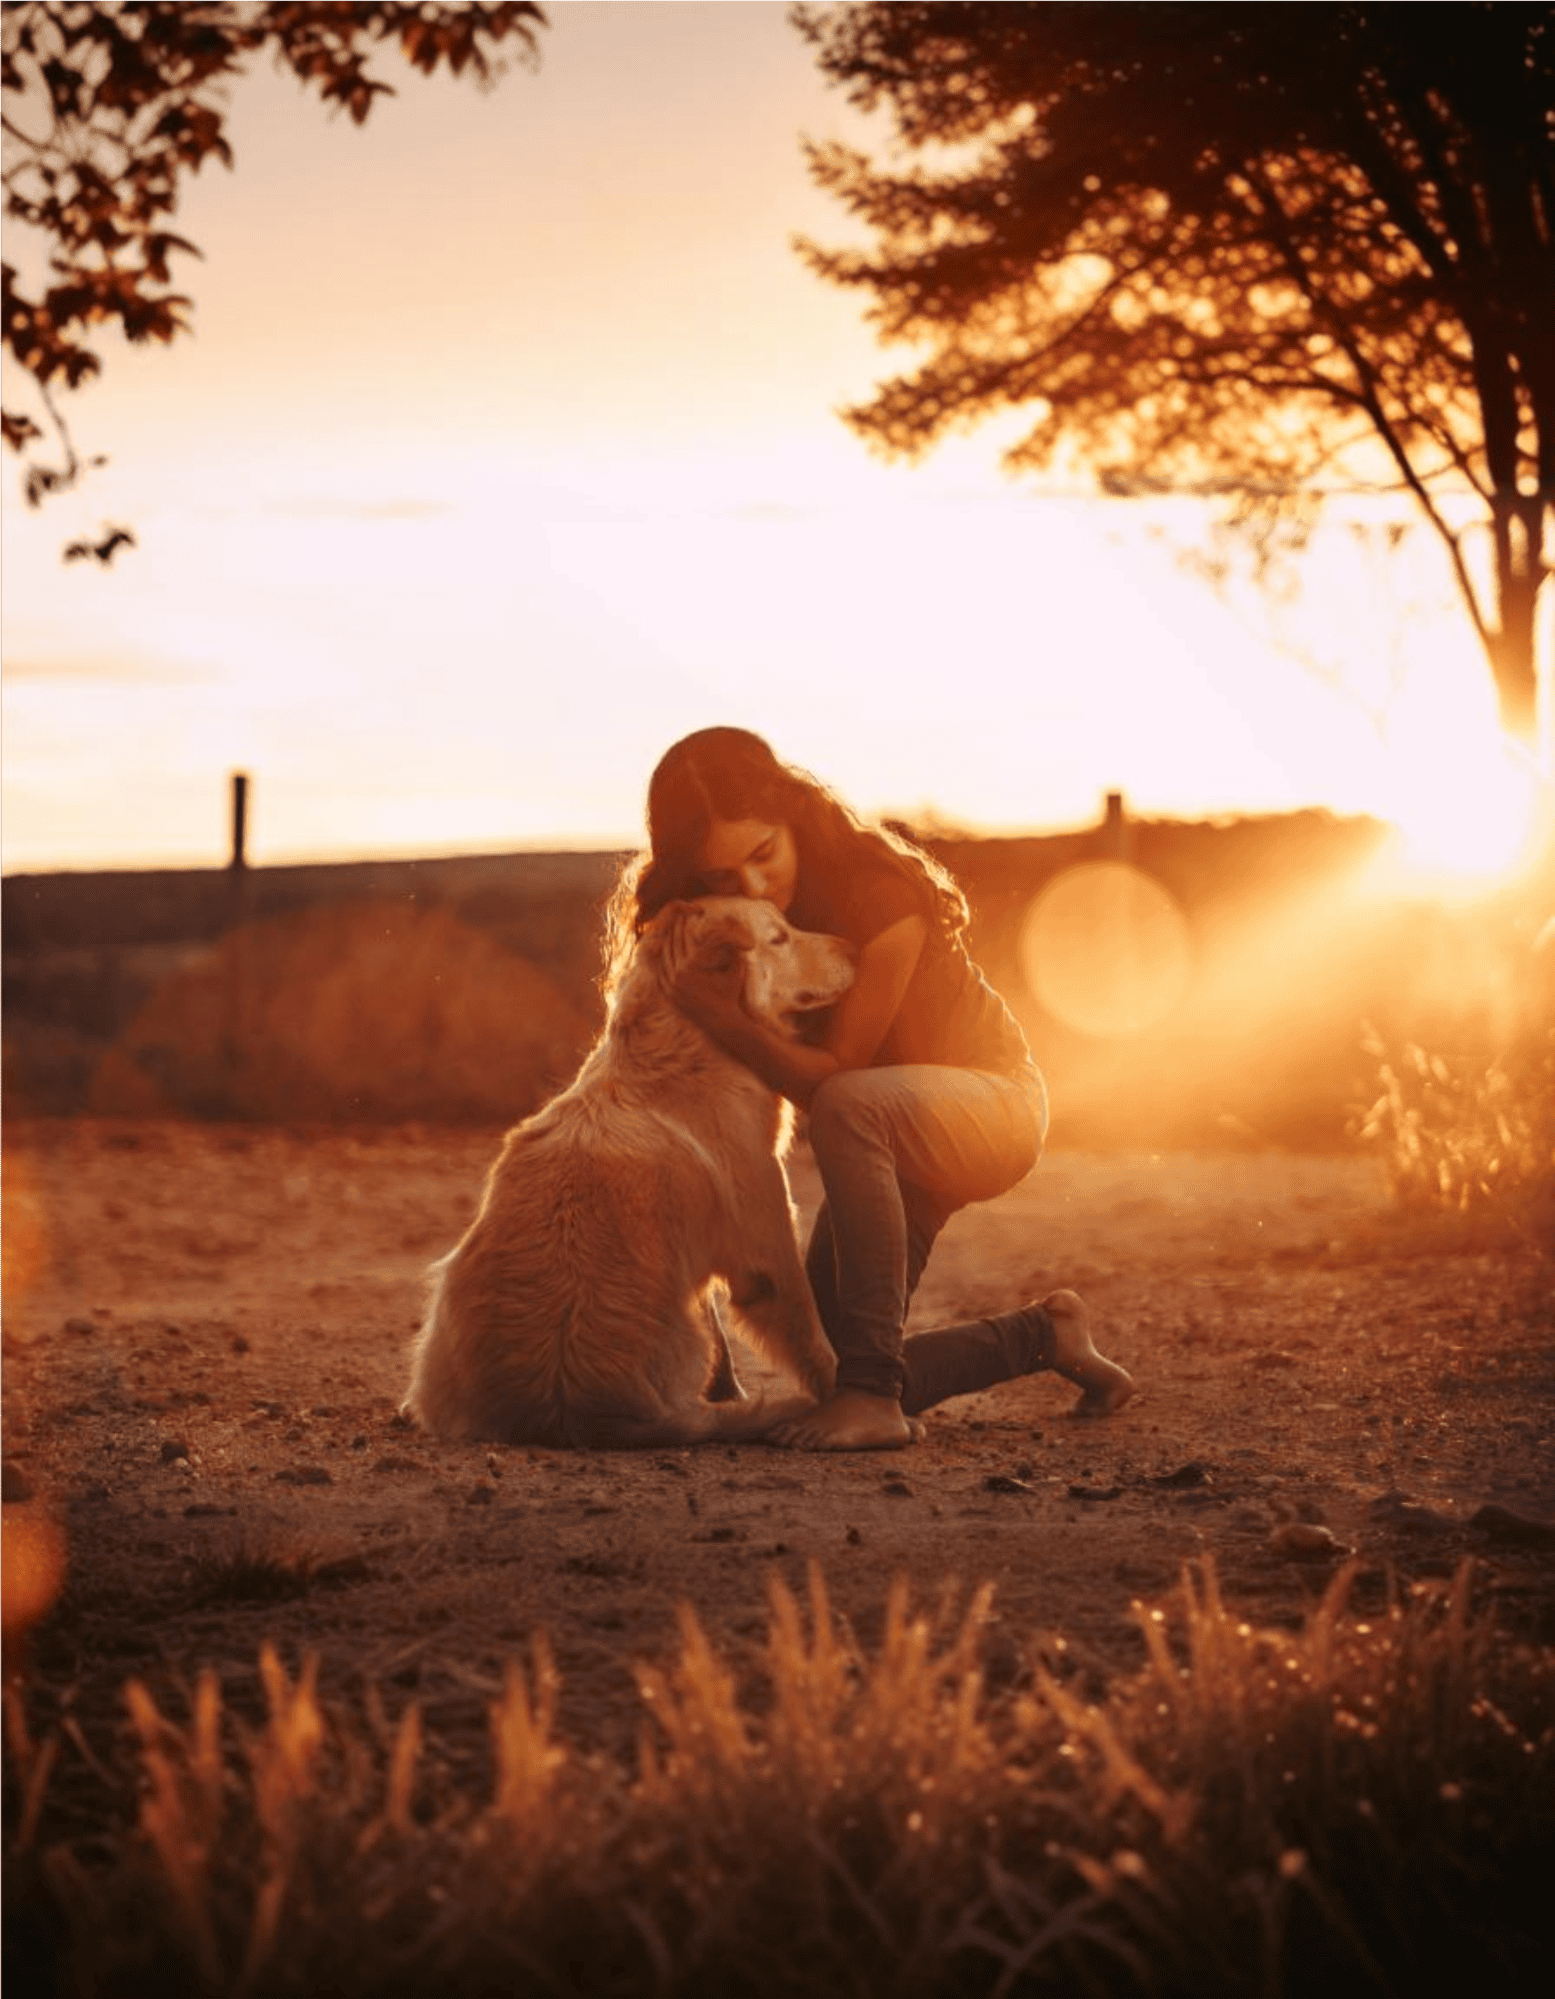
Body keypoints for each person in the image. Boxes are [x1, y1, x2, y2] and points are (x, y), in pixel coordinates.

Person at [604, 726, 1135, 1450]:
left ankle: (873, 1404)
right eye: (724, 876)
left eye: (763, 853)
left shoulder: (878, 893)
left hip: (991, 1106)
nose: (755, 887)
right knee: (829, 1367)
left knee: (851, 1106)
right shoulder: (732, 923)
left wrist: (723, 1019)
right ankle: (1045, 1336)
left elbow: (837, 1079)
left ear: (792, 811)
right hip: (889, 1134)